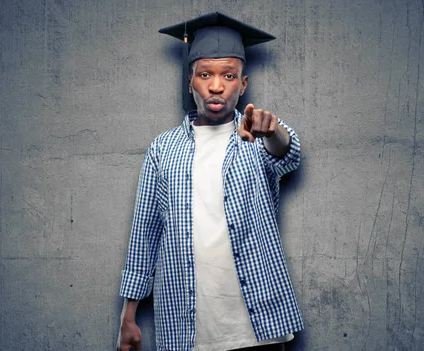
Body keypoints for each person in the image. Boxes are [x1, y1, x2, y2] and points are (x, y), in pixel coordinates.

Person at [117, 12, 303, 351]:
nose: (216, 85)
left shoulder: (256, 135)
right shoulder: (163, 149)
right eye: (205, 74)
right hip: (189, 330)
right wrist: (128, 317)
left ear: (242, 83)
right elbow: (145, 233)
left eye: (228, 75)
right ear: (191, 81)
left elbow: (288, 154)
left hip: (259, 328)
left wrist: (272, 129)